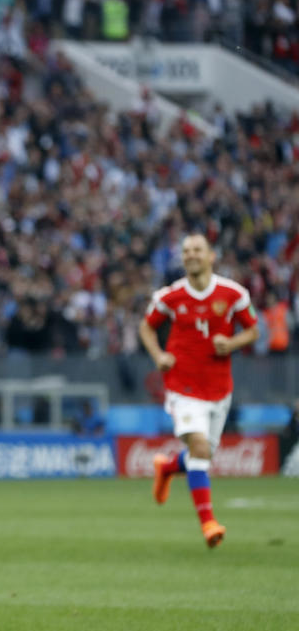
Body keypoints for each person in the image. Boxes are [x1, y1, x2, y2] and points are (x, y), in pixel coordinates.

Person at [139, 234, 258, 548]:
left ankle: (167, 467)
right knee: (201, 450)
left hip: (219, 388)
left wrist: (230, 344)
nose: (190, 255)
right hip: (183, 385)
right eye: (186, 251)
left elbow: (254, 330)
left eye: (197, 250)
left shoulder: (233, 294)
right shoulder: (171, 296)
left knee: (202, 454)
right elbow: (146, 326)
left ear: (211, 256)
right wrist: (159, 356)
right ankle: (209, 524)